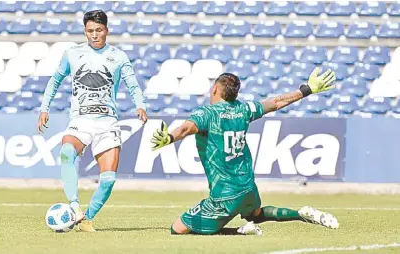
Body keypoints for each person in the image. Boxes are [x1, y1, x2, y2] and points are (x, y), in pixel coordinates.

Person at [150, 68, 339, 235]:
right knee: (255, 214)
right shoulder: (244, 109)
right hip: (248, 188)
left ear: (215, 89)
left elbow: (186, 128)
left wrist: (170, 138)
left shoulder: (207, 113)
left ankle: (240, 231)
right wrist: (306, 90)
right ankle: (300, 213)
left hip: (224, 195)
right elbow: (276, 103)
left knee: (178, 228)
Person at [37, 10, 148, 232]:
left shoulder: (118, 56)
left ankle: (87, 218)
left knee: (108, 179)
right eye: (90, 31)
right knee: (67, 152)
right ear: (84, 31)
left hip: (107, 122)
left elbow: (132, 84)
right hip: (80, 120)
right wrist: (44, 108)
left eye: (98, 30)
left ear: (106, 30)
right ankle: (74, 206)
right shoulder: (73, 53)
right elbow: (55, 80)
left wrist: (140, 105)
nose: (94, 35)